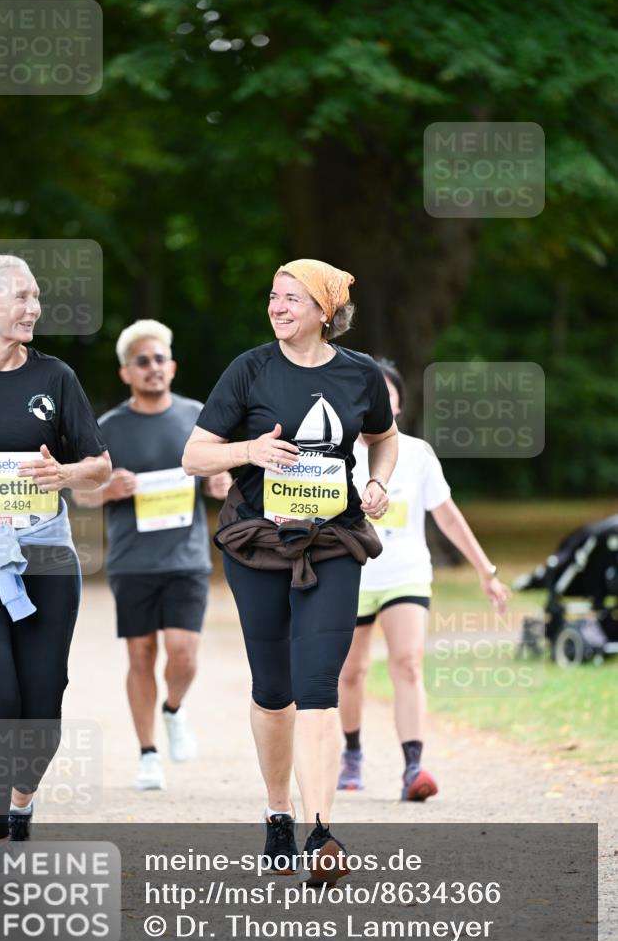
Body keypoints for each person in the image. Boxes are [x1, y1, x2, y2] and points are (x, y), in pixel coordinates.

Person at [182, 259, 397, 884]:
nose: (277, 308)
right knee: (275, 689)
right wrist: (250, 451)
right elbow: (193, 455)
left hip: (333, 542)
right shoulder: (249, 369)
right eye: (272, 297)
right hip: (257, 544)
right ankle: (279, 812)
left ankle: (321, 830)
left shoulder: (359, 374)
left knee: (319, 684)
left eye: (291, 299)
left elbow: (385, 436)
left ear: (325, 311)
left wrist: (378, 481)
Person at [0, 254, 111, 889]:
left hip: (44, 555)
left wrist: (63, 474)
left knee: (41, 707)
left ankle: (21, 806)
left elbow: (98, 465)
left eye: (37, 297)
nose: (33, 308)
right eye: (20, 297)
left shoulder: (57, 378)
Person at [337, 358, 511, 800]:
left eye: (384, 394)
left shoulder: (416, 454)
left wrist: (485, 571)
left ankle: (413, 767)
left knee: (409, 664)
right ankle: (352, 753)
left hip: (406, 574)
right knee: (350, 673)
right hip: (351, 577)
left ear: (395, 406)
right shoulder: (334, 455)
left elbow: (447, 516)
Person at [73, 320, 231, 791]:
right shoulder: (107, 428)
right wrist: (106, 489)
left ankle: (174, 709)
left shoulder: (197, 418)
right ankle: (147, 753)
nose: (153, 368)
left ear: (173, 366)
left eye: (160, 359)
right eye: (142, 361)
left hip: (186, 557)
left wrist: (221, 484)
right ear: (127, 373)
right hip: (133, 560)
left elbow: (218, 478)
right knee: (141, 655)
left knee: (183, 653)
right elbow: (81, 494)